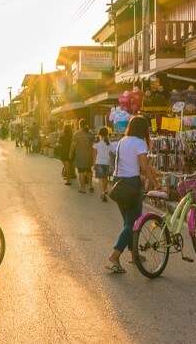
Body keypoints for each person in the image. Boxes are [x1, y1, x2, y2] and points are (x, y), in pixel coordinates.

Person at [107, 116, 159, 273]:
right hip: (131, 185)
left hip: (119, 183)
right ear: (143, 128)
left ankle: (133, 255)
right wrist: (156, 183)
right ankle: (115, 255)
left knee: (128, 223)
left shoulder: (123, 140)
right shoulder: (139, 142)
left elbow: (134, 164)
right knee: (132, 223)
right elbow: (143, 166)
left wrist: (154, 174)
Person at [70, 118, 95, 194]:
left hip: (80, 156)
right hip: (89, 156)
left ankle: (83, 188)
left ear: (79, 125)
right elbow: (94, 145)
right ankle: (90, 186)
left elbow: (73, 146)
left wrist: (70, 154)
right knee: (89, 171)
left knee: (81, 172)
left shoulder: (76, 134)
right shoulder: (90, 134)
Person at [92, 127, 112, 202]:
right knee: (105, 178)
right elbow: (111, 153)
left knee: (100, 179)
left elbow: (94, 154)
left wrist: (93, 164)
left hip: (99, 162)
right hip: (106, 162)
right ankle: (105, 190)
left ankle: (102, 193)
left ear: (99, 134)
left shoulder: (96, 143)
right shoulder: (109, 143)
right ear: (107, 134)